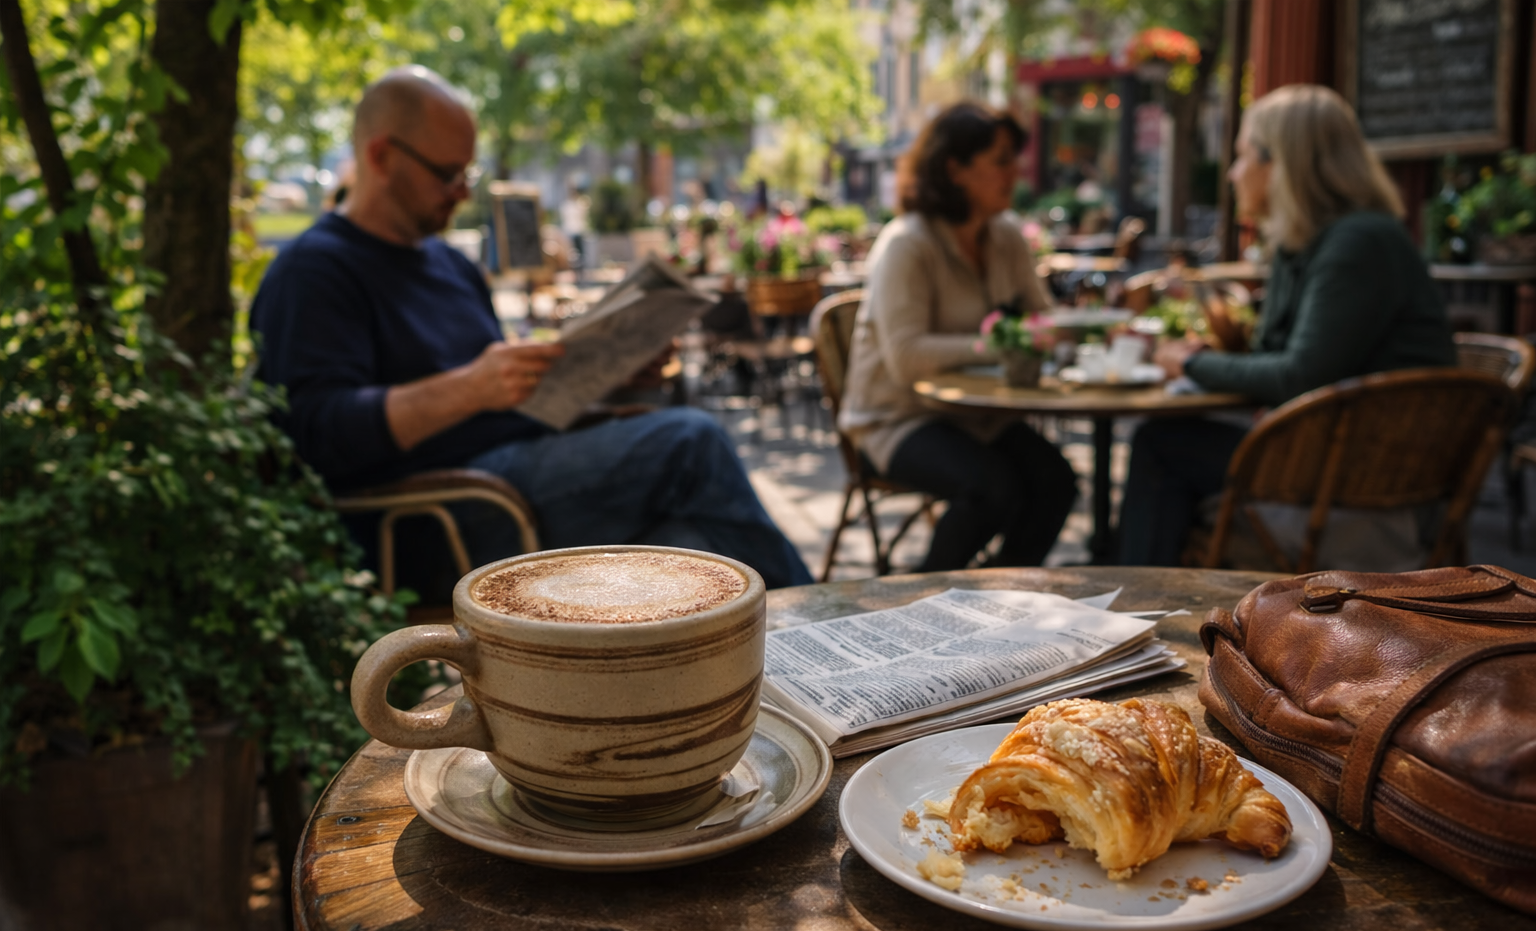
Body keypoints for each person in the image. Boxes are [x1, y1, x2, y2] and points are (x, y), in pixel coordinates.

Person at [252, 67, 812, 589]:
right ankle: (826, 634)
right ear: (380, 156)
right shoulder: (315, 271)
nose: (463, 194)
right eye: (448, 175)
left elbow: (502, 404)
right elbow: (315, 434)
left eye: (467, 174)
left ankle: (779, 686)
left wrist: (605, 375)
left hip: (514, 478)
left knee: (695, 554)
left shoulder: (451, 265)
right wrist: (471, 386)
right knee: (692, 442)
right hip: (431, 515)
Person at [1118, 84, 1457, 566]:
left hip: (1367, 473)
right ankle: (1144, 590)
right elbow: (1276, 354)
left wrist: (1194, 362)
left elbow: (1299, 375)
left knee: (1161, 446)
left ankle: (1134, 604)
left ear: (1279, 164)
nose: (1233, 174)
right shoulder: (1309, 241)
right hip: (1331, 448)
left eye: (1240, 157)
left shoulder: (1357, 243)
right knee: (1172, 440)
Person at [839, 102, 1078, 571]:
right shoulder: (907, 243)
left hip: (977, 414)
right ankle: (923, 597)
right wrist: (1002, 343)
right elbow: (905, 357)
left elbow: (1043, 321)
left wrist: (1070, 338)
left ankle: (1001, 590)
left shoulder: (1006, 236)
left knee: (1057, 482)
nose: (1016, 171)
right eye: (1001, 159)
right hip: (895, 420)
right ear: (955, 169)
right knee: (992, 488)